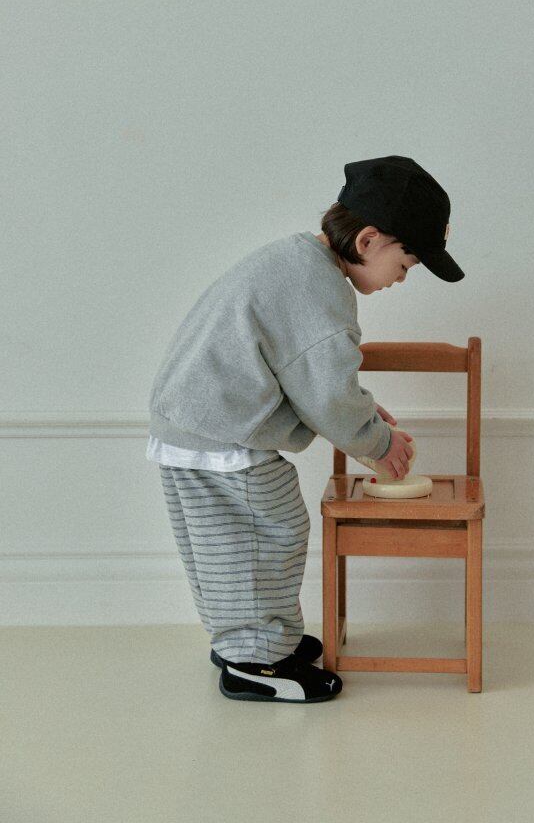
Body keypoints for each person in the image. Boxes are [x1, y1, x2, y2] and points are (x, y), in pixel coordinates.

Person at [146, 155, 464, 704]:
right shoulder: (321, 292)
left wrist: (364, 413)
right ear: (368, 241)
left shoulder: (294, 261)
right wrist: (379, 444)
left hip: (196, 421)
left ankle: (251, 639)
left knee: (228, 542)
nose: (401, 279)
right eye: (406, 264)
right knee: (264, 535)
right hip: (222, 432)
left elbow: (309, 379)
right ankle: (253, 660)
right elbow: (328, 395)